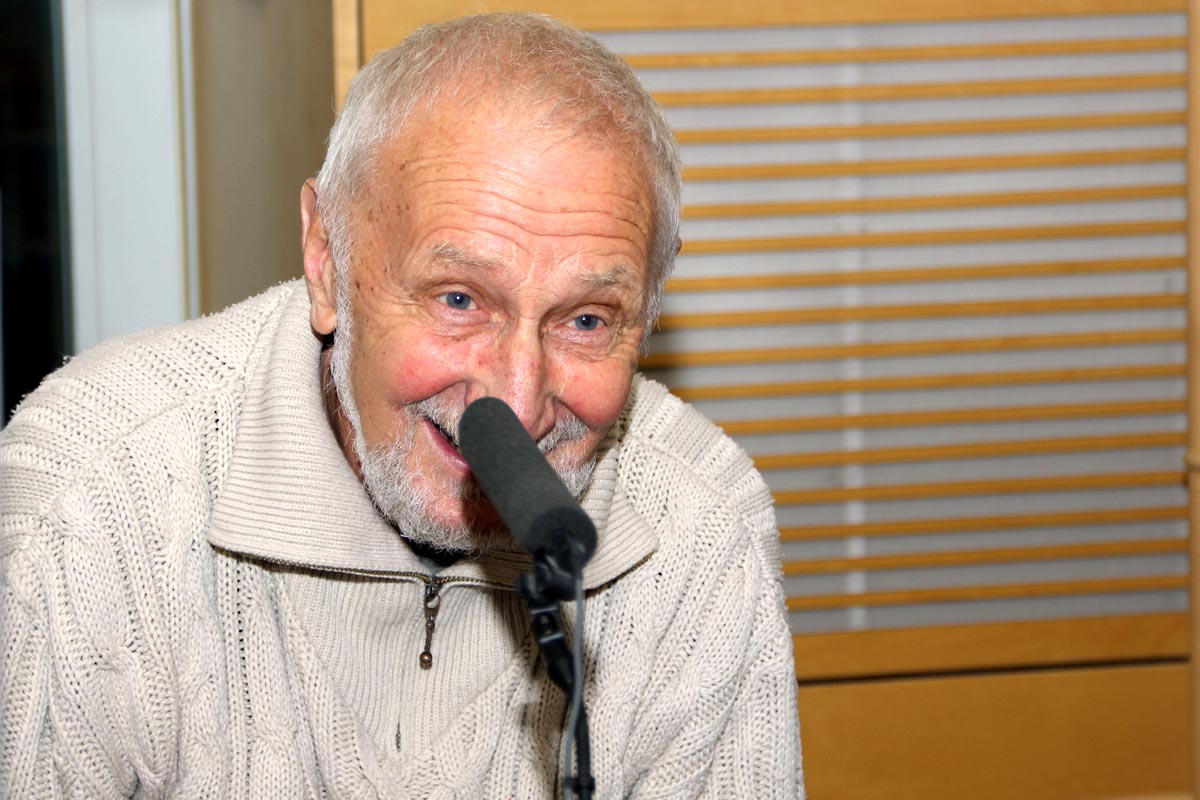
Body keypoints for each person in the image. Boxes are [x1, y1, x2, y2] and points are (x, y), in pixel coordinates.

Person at [2, 12, 803, 798]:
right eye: (459, 299)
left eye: (586, 320)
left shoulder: (701, 531)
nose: (518, 402)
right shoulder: (91, 499)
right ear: (326, 260)